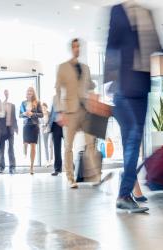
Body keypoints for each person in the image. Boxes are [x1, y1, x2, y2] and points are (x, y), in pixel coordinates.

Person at [104, 1, 163, 212]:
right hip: (124, 86)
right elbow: (111, 47)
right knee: (133, 138)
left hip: (142, 86)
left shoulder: (148, 13)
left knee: (135, 141)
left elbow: (158, 45)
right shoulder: (118, 11)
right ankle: (124, 193)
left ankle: (126, 187)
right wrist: (108, 84)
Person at [55, 38, 101, 188]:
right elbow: (57, 90)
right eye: (74, 46)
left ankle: (95, 176)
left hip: (85, 110)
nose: (77, 49)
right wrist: (60, 111)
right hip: (69, 112)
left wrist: (94, 95)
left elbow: (90, 85)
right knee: (68, 146)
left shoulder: (86, 68)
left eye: (78, 46)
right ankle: (70, 178)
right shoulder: (62, 68)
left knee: (91, 143)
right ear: (71, 48)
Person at [20, 87, 43, 175]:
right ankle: (25, 151)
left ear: (33, 93)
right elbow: (20, 114)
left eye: (31, 91)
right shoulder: (23, 103)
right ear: (26, 93)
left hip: (34, 126)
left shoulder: (37, 102)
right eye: (28, 91)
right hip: (26, 125)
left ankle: (31, 167)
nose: (29, 92)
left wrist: (33, 114)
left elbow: (41, 115)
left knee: (33, 146)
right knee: (25, 143)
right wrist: (24, 114)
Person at [0, 89, 18, 175]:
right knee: (1, 149)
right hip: (2, 129)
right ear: (3, 94)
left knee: (11, 148)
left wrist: (16, 128)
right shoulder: (0, 105)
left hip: (10, 129)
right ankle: (1, 167)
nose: (6, 93)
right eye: (5, 92)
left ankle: (12, 167)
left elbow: (14, 117)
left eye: (7, 92)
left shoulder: (13, 105)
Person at [48, 96, 63, 176]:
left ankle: (71, 168)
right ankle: (57, 169)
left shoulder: (68, 96)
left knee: (69, 148)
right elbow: (52, 112)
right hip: (55, 125)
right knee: (57, 149)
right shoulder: (54, 98)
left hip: (65, 124)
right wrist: (49, 125)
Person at [41, 103, 53, 167]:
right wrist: (42, 125)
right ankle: (47, 160)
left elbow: (51, 121)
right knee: (45, 146)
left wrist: (47, 125)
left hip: (50, 130)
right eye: (42, 107)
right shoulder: (40, 114)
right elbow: (39, 122)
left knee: (50, 145)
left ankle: (51, 160)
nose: (43, 108)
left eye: (44, 107)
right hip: (44, 131)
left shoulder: (49, 113)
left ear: (46, 107)